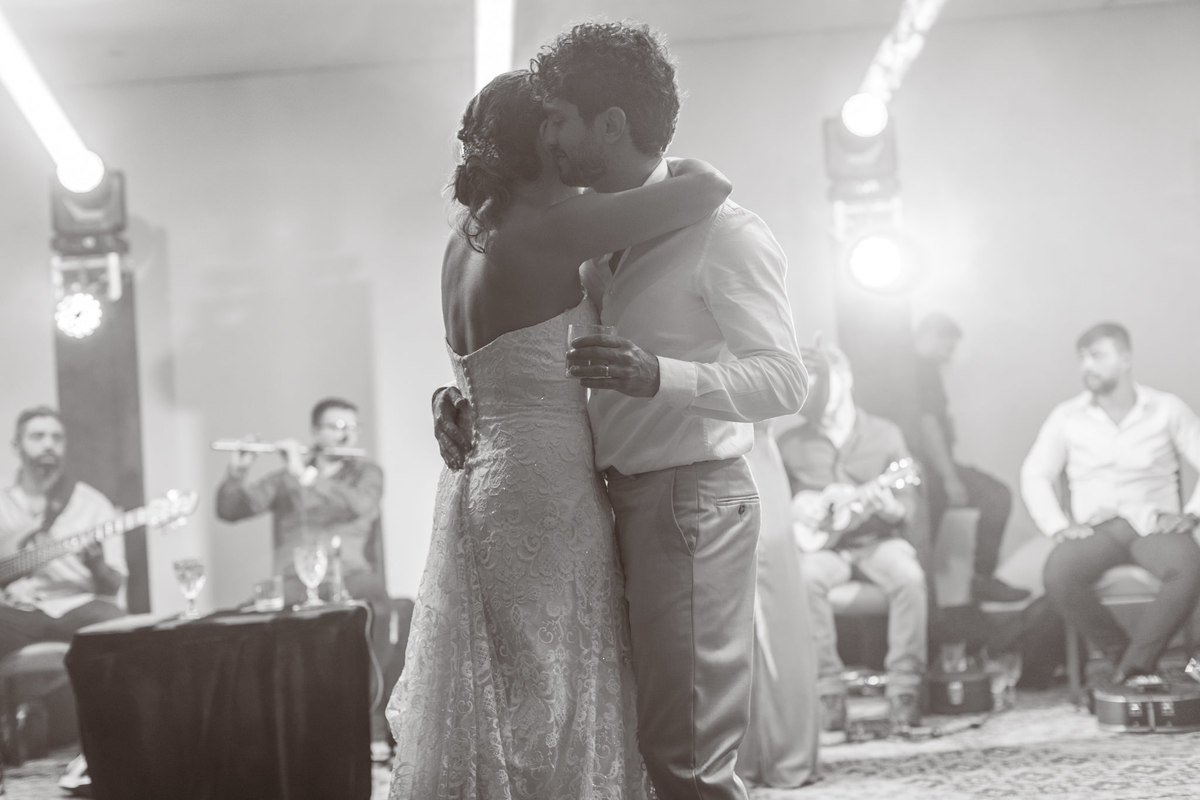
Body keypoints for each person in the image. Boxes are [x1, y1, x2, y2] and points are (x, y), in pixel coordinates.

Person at [425, 22, 807, 800]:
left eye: (562, 116)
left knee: (683, 754)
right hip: (601, 502)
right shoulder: (589, 233)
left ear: (608, 125)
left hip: (689, 497)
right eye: (547, 122)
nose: (557, 137)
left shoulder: (721, 234)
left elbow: (786, 381)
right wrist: (465, 398)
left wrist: (659, 375)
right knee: (617, 735)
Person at [1020, 322, 1200, 687]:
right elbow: (1034, 473)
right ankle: (1129, 662)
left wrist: (1193, 513)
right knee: (1058, 573)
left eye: (1097, 356)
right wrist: (1057, 525)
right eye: (1083, 358)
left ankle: (1130, 670)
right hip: (1097, 529)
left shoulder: (1166, 408)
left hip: (1152, 524)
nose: (1087, 366)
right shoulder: (1067, 417)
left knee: (1189, 568)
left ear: (1126, 358)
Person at [214, 396, 394, 752]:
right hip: (294, 582)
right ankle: (268, 737)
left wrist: (305, 475)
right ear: (316, 431)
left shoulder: (367, 474)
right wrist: (237, 472)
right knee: (240, 627)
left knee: (384, 613)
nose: (346, 436)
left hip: (352, 576)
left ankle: (372, 730)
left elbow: (359, 505)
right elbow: (231, 510)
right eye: (336, 427)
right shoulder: (284, 478)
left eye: (351, 428)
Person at [777, 345, 927, 731]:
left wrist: (889, 507)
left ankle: (905, 690)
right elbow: (775, 501)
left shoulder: (885, 434)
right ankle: (828, 693)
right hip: (826, 549)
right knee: (806, 578)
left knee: (910, 577)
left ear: (844, 380)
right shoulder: (791, 444)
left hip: (877, 543)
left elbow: (908, 507)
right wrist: (800, 506)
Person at [0, 406, 126, 790]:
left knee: (121, 630)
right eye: (38, 437)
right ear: (16, 445)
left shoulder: (92, 505)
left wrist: (98, 562)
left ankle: (106, 757)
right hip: (19, 609)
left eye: (56, 437)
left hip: (77, 605)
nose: (49, 445)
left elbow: (112, 584)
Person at [913, 312, 1029, 604]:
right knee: (997, 496)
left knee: (924, 543)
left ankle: (946, 593)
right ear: (931, 335)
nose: (948, 356)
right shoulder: (921, 370)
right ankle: (979, 581)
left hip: (926, 470)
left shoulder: (912, 370)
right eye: (948, 347)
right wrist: (950, 477)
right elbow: (927, 423)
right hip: (929, 473)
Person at [736, 421, 819, 789]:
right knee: (726, 620)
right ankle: (739, 757)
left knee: (775, 615)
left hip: (750, 458)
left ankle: (785, 753)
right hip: (680, 460)